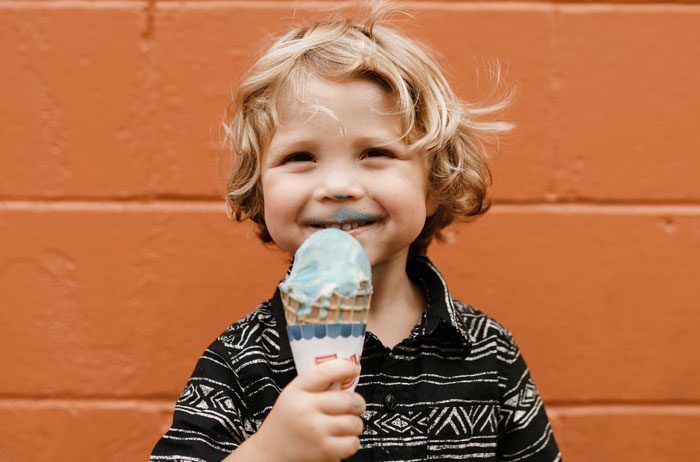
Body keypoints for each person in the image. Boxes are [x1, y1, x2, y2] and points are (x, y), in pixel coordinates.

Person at [151, 4, 561, 462]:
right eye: (301, 157)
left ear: (434, 185)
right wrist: (270, 452)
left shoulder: (488, 350)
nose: (339, 187)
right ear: (260, 193)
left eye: (375, 152)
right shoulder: (242, 359)